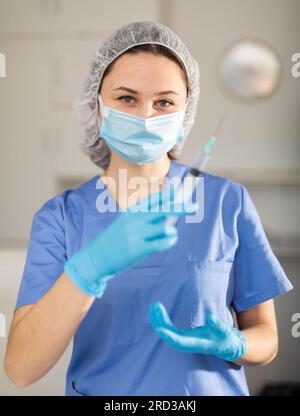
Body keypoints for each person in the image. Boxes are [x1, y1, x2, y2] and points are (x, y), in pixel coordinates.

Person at [4, 21, 293, 396]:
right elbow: (21, 369)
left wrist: (235, 343)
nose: (146, 116)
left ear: (184, 111)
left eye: (164, 102)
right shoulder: (61, 217)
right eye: (126, 98)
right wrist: (90, 268)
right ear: (97, 106)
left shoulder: (226, 201)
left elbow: (267, 338)